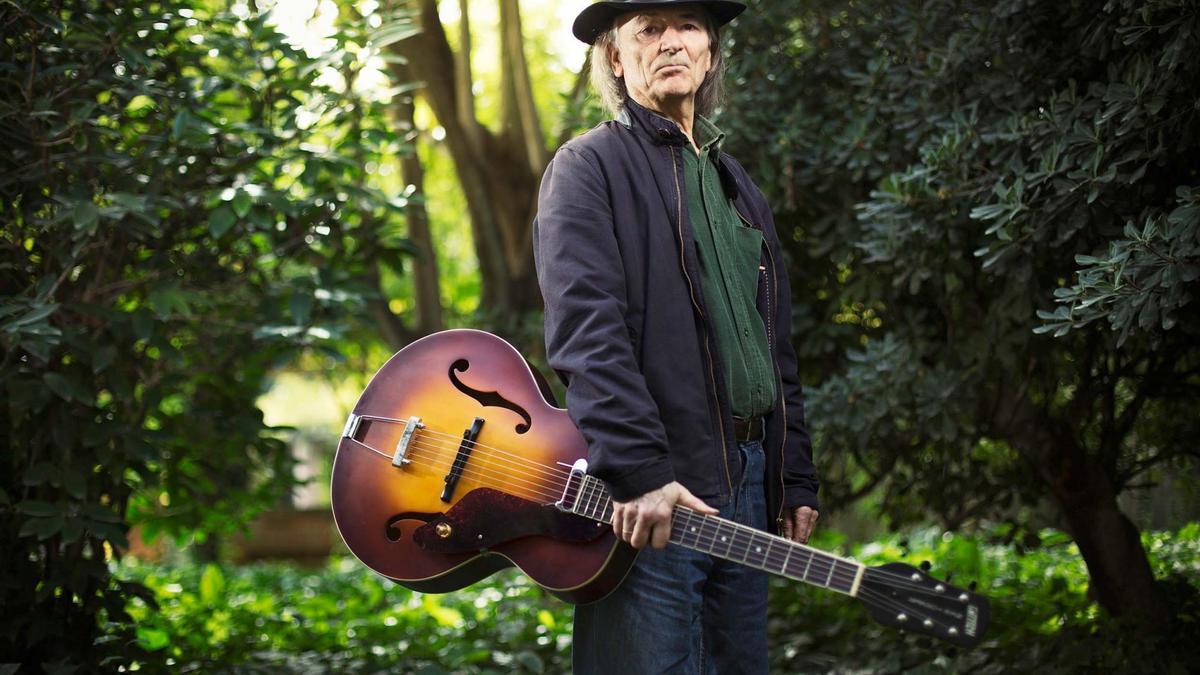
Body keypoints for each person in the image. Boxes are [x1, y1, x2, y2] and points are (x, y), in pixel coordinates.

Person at [532, 0, 820, 671]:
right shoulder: (588, 169)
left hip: (748, 491)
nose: (671, 42)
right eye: (649, 30)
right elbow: (586, 331)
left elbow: (772, 345)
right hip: (656, 493)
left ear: (710, 52)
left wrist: (792, 474)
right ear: (615, 57)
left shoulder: (738, 187)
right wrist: (639, 473)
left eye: (688, 26)